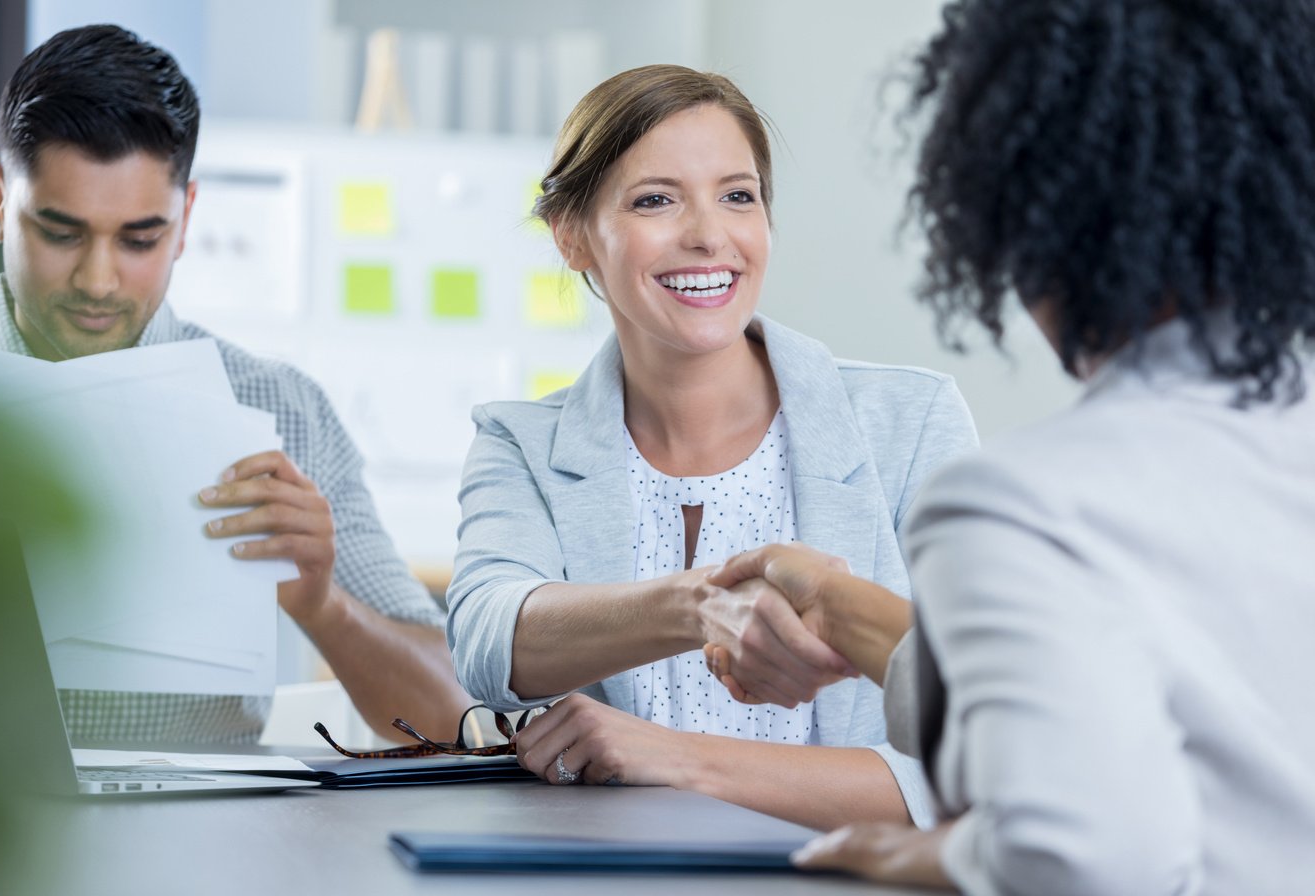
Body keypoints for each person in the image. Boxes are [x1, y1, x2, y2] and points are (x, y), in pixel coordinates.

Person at [706, 1, 1315, 892]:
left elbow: (1088, 857)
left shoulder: (1019, 507)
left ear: (1018, 213)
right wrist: (842, 610)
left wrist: (931, 854)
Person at [444, 63, 978, 831]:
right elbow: (490, 642)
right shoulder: (519, 443)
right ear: (571, 235)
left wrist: (678, 758)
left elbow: (976, 755)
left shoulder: (911, 420)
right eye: (656, 200)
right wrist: (700, 607)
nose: (708, 236)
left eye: (738, 196)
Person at [0, 24, 469, 744]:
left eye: (140, 239)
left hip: (209, 848)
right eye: (61, 232)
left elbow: (452, 717)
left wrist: (323, 605)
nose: (98, 280)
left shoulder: (279, 412)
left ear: (185, 221)